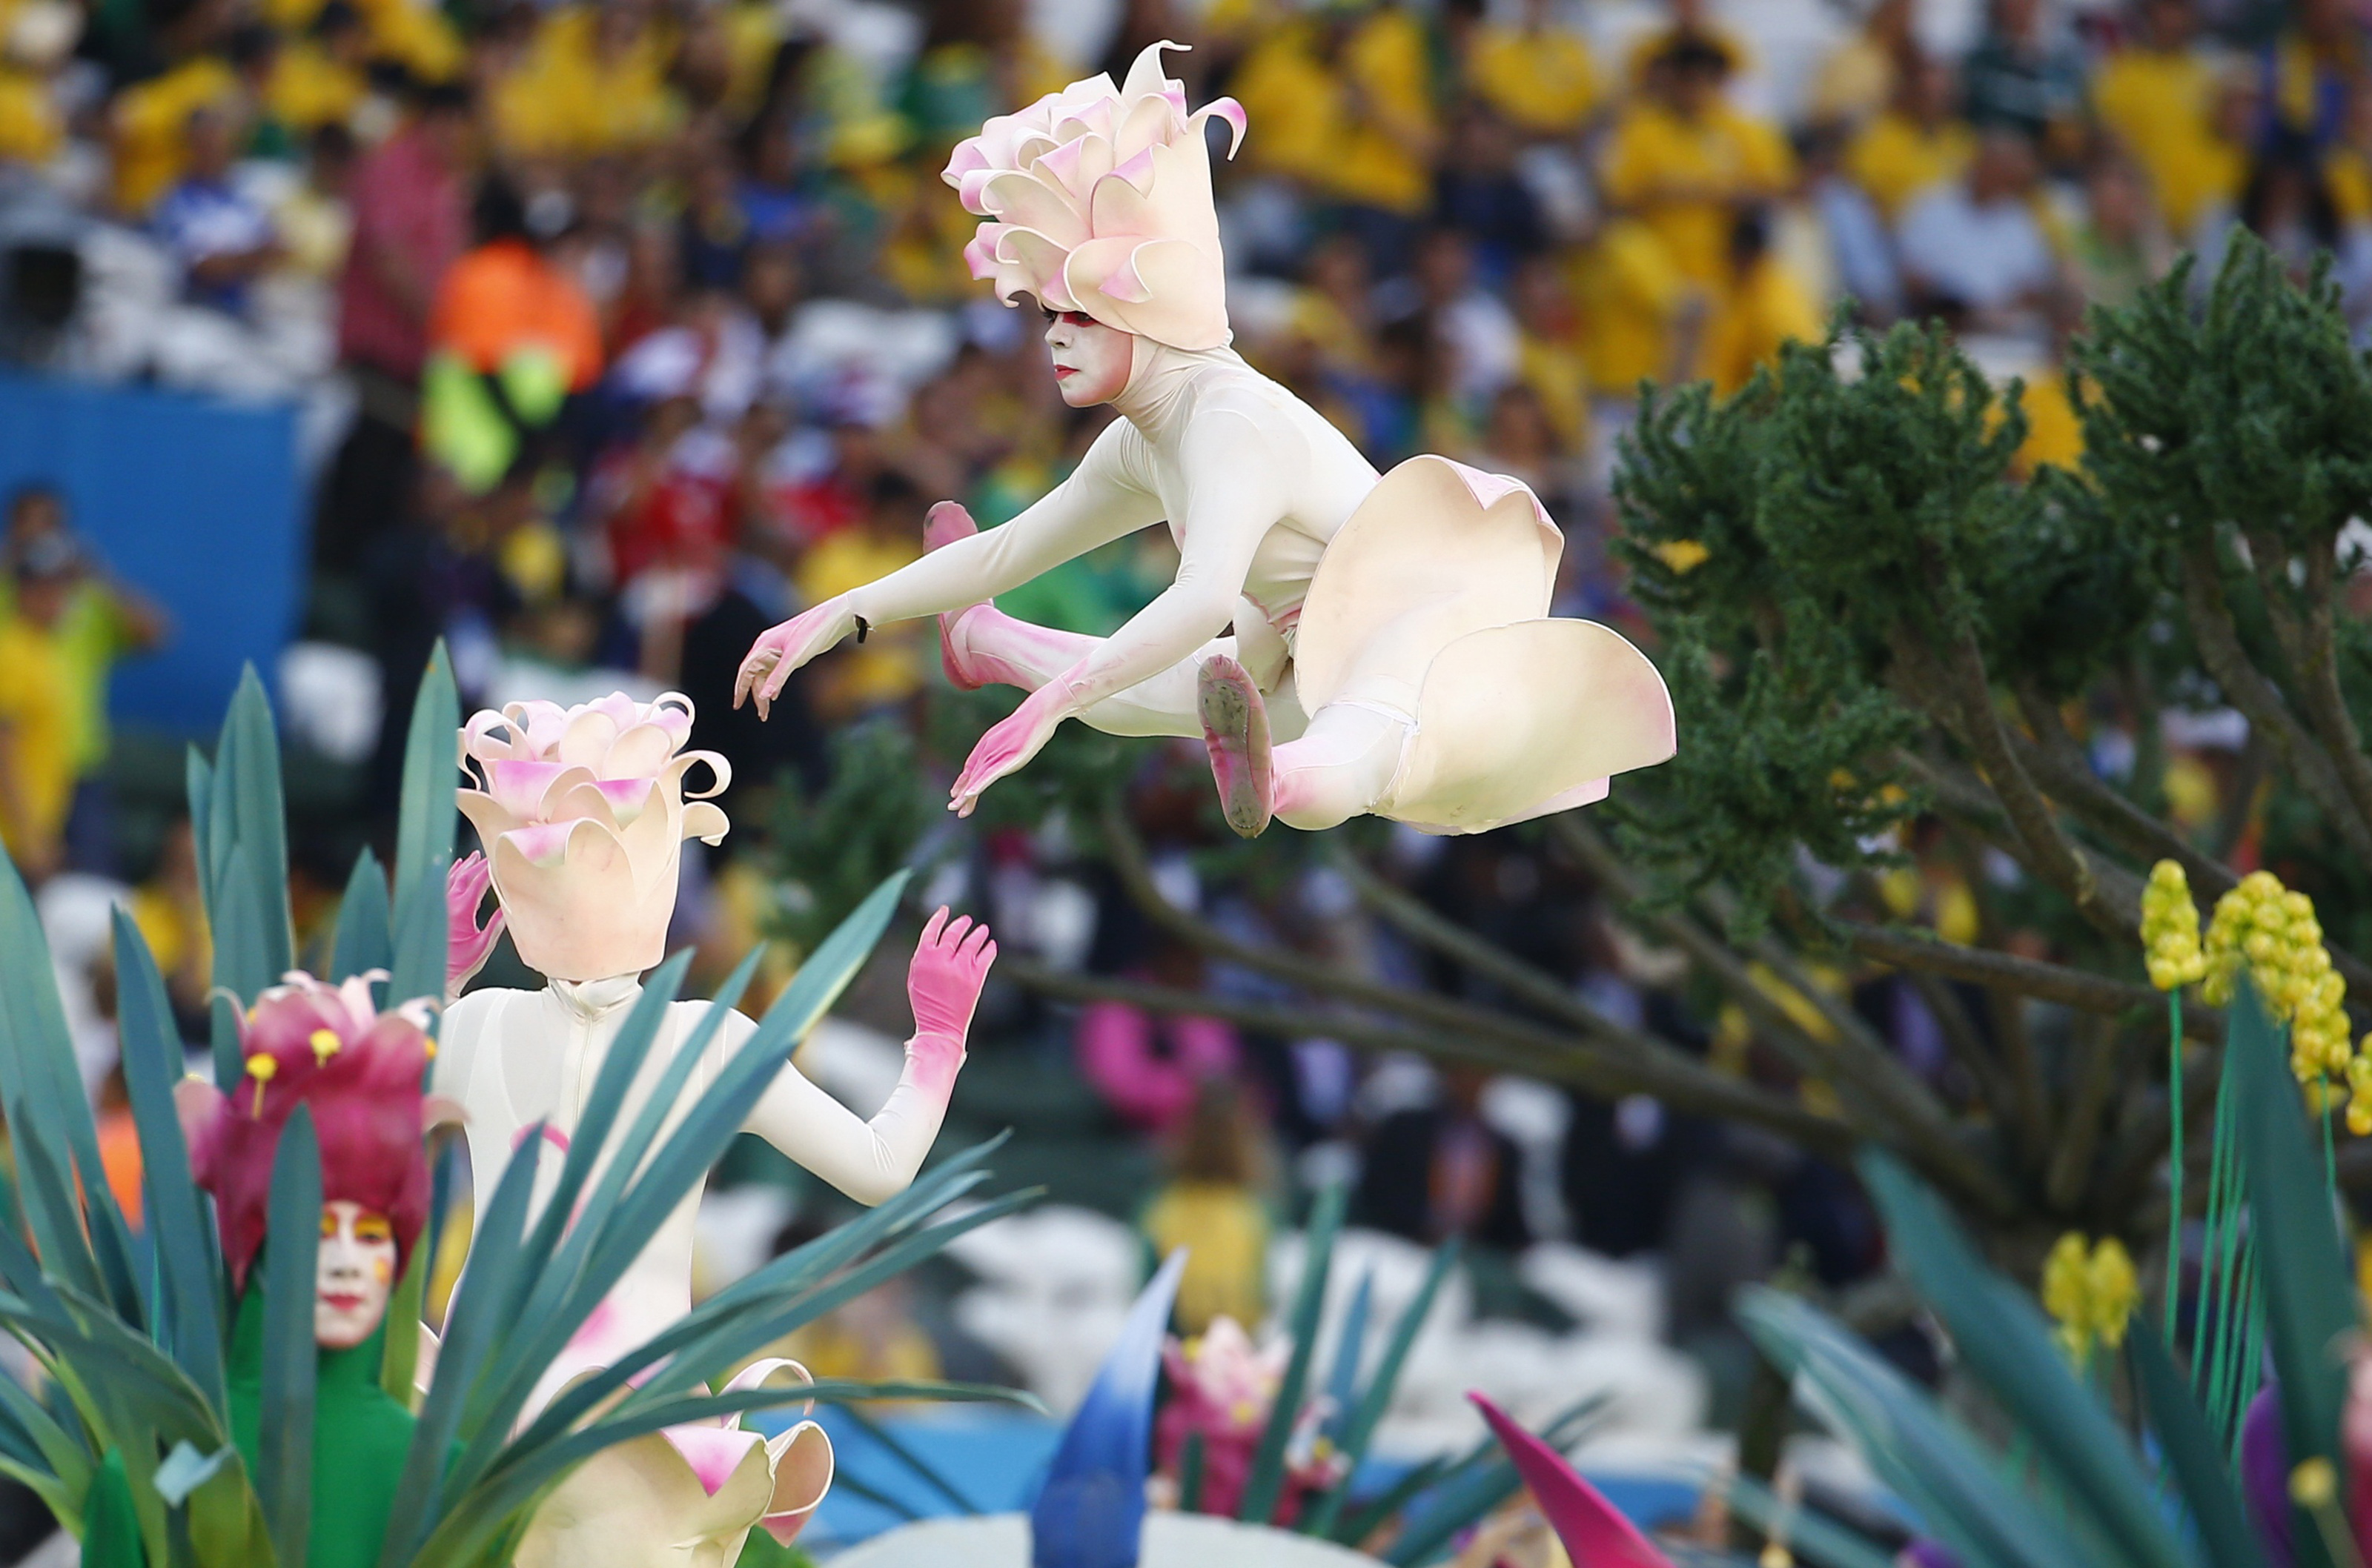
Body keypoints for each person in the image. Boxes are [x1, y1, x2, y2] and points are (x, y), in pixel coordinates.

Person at [735, 43, 1674, 839]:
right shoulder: (1142, 440)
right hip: (1294, 662)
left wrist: (1047, 713)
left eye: (1080, 313)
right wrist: (830, 617)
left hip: (1434, 658)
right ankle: (992, 642)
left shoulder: (1226, 420)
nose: (1054, 334)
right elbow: (1008, 548)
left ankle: (1268, 779)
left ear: (1143, 314)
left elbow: (1199, 597)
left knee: (1302, 720)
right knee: (1163, 690)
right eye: (1048, 313)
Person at [0, 534, 79, 880]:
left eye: (63, 587)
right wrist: (30, 839)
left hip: (33, 833)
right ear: (26, 591)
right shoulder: (11, 652)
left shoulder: (45, 652)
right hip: (11, 839)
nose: (59, 599)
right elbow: (4, 749)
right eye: (49, 588)